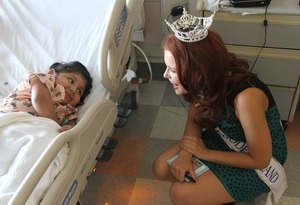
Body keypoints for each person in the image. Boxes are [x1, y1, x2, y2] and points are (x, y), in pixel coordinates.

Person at [152, 9, 287, 205]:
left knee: (180, 193)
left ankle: (216, 193)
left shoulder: (246, 98)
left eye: (172, 70)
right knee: (160, 168)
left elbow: (261, 160)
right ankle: (212, 191)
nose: (165, 75)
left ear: (196, 70)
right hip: (225, 140)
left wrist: (204, 153)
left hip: (257, 158)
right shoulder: (203, 80)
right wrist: (185, 154)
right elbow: (194, 120)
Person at [0, 61, 93, 132]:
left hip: (36, 130)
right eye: (71, 80)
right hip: (12, 118)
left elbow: (71, 125)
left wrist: (70, 128)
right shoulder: (43, 80)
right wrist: (54, 126)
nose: (73, 89)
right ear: (53, 73)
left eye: (79, 91)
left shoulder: (70, 110)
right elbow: (39, 99)